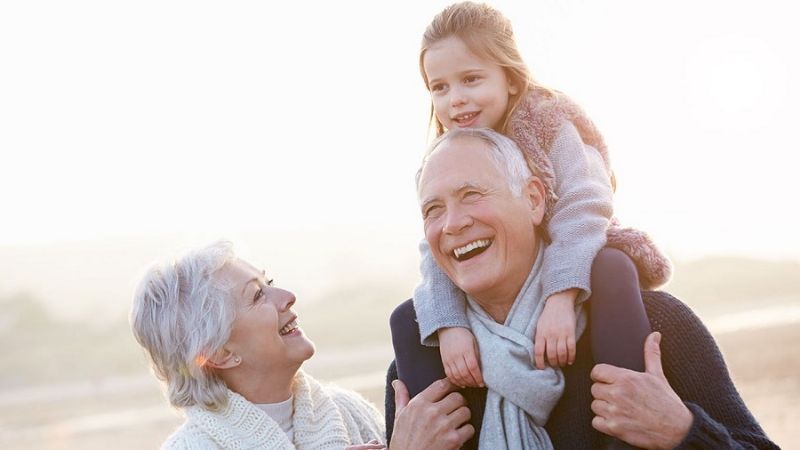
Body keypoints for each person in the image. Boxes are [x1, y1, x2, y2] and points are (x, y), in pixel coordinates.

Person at [386, 128, 778, 449]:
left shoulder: (654, 325)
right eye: (433, 209)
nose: (452, 223)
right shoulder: (420, 373)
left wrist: (682, 432)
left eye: (471, 195)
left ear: (534, 199)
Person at [409, 0, 669, 396]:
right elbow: (436, 248)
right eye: (439, 87)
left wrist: (560, 296)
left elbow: (584, 204)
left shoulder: (548, 124)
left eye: (471, 79)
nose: (455, 99)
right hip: (502, 277)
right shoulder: (444, 159)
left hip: (573, 254)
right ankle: (438, 421)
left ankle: (626, 400)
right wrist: (449, 325)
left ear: (511, 79)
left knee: (613, 267)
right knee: (406, 318)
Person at [130, 242, 387, 449]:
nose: (288, 297)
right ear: (220, 353)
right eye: (257, 295)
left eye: (269, 283)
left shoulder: (349, 410)